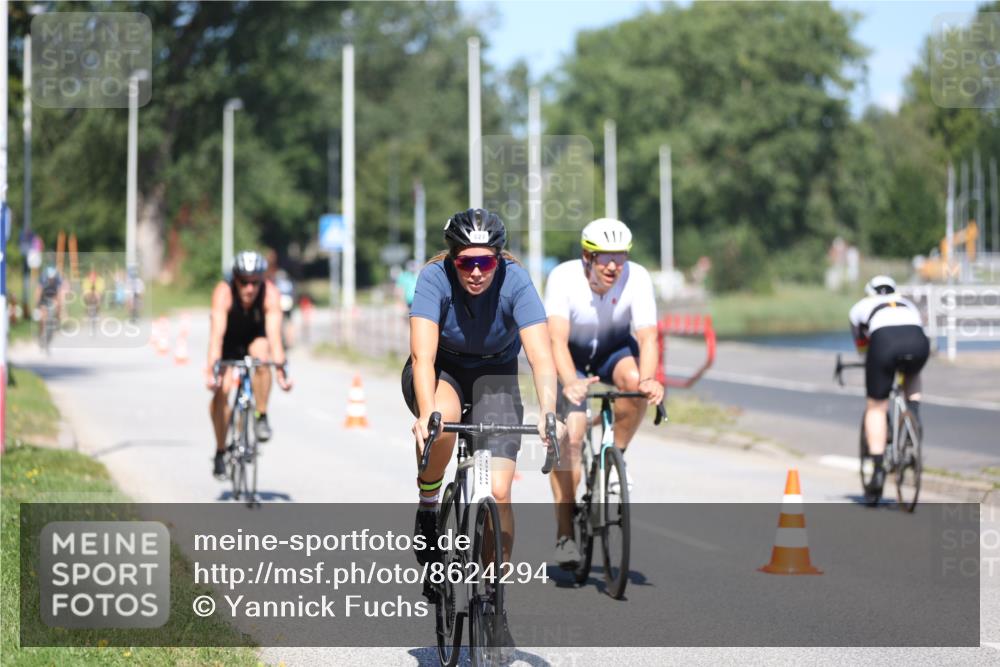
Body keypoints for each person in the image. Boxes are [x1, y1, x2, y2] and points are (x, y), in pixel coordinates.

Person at [403, 208, 563, 646]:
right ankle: (429, 502)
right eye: (466, 262)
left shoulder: (517, 280)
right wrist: (426, 412)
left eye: (485, 262)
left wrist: (549, 410)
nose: (476, 272)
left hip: (496, 377)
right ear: (453, 259)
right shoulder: (434, 278)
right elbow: (423, 357)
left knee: (500, 491)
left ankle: (494, 595)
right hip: (446, 371)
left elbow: (541, 356)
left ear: (499, 258)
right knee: (444, 424)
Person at [544, 217, 665, 569]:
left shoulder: (637, 277)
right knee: (572, 437)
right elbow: (555, 340)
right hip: (572, 356)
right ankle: (565, 532)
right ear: (587, 257)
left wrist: (648, 379)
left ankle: (617, 458)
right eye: (604, 258)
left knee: (634, 383)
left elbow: (647, 338)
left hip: (613, 350)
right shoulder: (563, 278)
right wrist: (570, 382)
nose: (613, 266)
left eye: (620, 257)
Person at [205, 251, 292, 478]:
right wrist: (212, 370)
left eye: (255, 282)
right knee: (221, 392)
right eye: (244, 282)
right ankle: (220, 450)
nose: (249, 288)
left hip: (256, 336)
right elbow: (216, 337)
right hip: (229, 340)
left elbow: (275, 339)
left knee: (263, 359)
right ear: (235, 279)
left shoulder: (270, 294)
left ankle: (261, 415)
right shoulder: (223, 293)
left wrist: (282, 369)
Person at [848, 275, 929, 495]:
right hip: (918, 343)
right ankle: (913, 415)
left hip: (884, 344)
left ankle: (877, 468)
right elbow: (920, 327)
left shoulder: (860, 306)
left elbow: (863, 347)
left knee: (876, 406)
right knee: (911, 372)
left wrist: (873, 365)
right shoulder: (908, 303)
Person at [35, 265, 64, 340]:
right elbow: (38, 291)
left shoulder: (57, 280)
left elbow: (59, 292)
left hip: (53, 297)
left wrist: (60, 304)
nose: (51, 280)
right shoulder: (43, 280)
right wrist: (37, 302)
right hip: (43, 298)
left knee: (58, 306)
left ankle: (57, 321)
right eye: (49, 278)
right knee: (42, 317)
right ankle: (41, 333)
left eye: (52, 278)